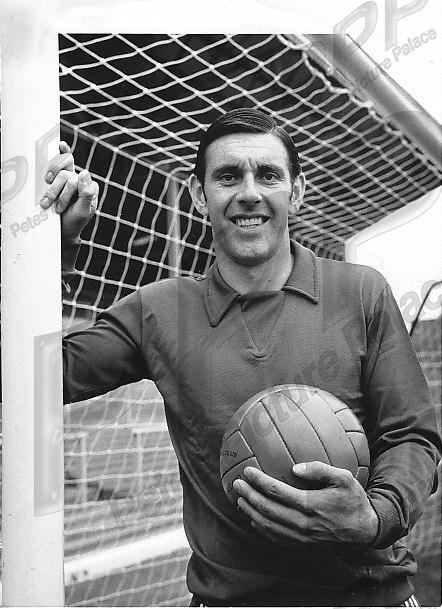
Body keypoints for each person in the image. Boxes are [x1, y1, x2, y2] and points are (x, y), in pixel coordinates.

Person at [41, 108, 440, 606]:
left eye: (268, 175)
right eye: (228, 176)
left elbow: (411, 435)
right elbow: (25, 378)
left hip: (370, 597)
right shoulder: (159, 311)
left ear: (296, 191)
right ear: (198, 193)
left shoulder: (361, 293)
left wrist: (374, 517)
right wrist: (53, 248)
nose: (249, 192)